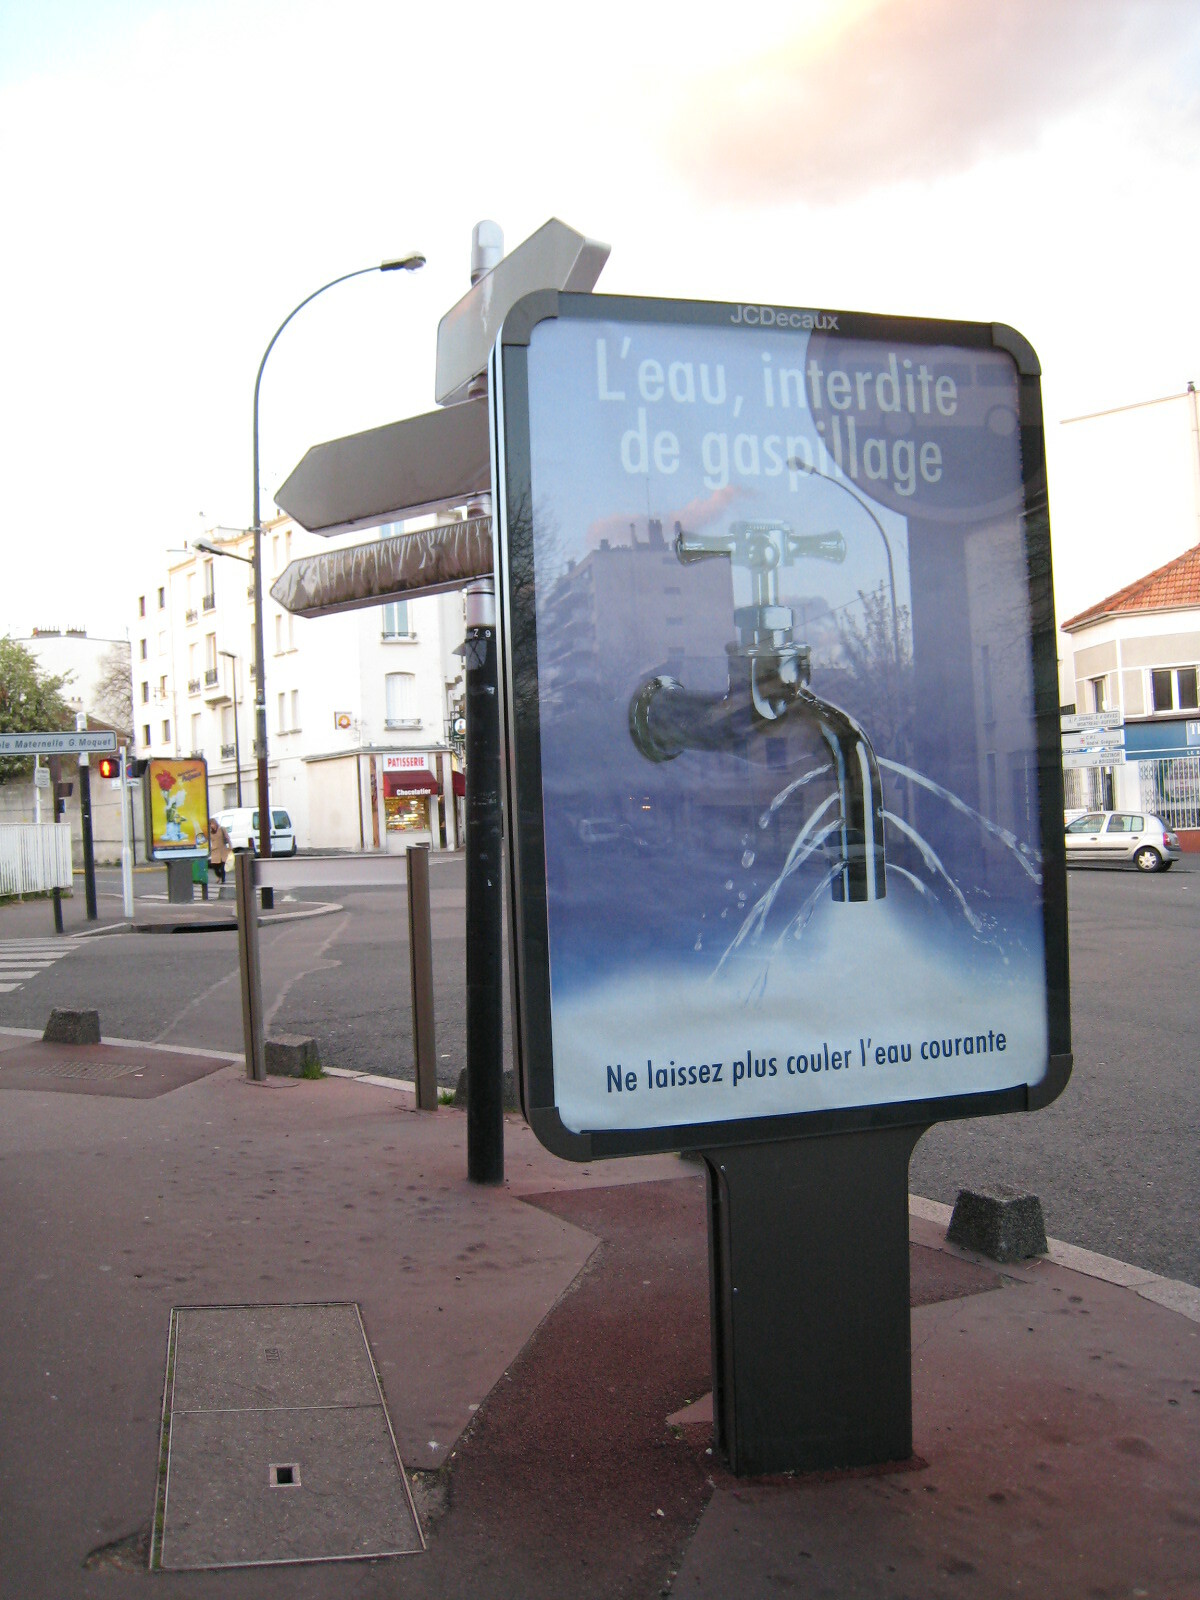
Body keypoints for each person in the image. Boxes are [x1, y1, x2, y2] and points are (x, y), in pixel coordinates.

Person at [208, 819, 232, 884]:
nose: (211, 826)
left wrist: (230, 846)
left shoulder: (222, 829)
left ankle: (223, 880)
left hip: (222, 849)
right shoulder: (210, 831)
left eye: (212, 824)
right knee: (214, 865)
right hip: (214, 850)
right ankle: (219, 876)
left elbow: (227, 838)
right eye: (210, 824)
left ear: (215, 823)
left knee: (222, 866)